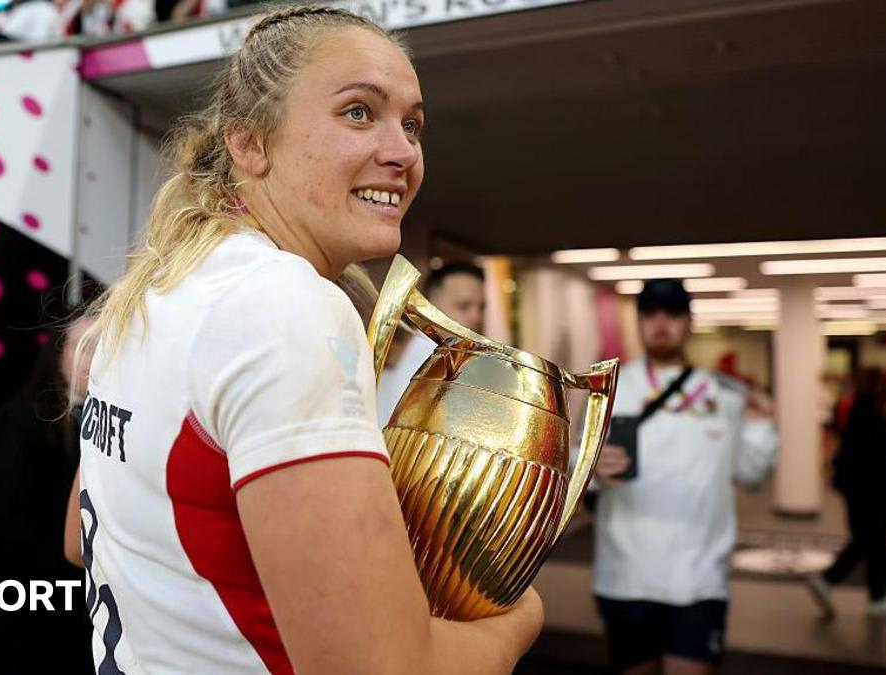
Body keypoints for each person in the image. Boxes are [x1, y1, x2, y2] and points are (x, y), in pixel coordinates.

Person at [68, 6, 542, 673]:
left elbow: (83, 534)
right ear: (249, 143)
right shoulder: (283, 304)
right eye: (358, 112)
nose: (403, 151)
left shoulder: (154, 290)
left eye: (411, 124)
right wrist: (516, 618)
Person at [591, 279, 778, 675]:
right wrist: (590, 467)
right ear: (639, 321)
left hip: (699, 576)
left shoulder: (724, 395)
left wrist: (761, 429)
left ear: (689, 322)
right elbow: (572, 467)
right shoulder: (609, 388)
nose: (662, 324)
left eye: (673, 314)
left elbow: (753, 475)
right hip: (626, 573)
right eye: (651, 314)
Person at [0, 317, 95, 674]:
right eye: (86, 347)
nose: (98, 359)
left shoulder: (125, 420)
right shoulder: (25, 419)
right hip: (34, 609)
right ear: (59, 355)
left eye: (109, 346)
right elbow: (12, 524)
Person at [806, 367, 886, 621]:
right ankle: (829, 580)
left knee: (872, 543)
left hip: (859, 488)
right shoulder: (871, 412)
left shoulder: (855, 406)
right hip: (869, 489)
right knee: (869, 541)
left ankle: (877, 598)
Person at [375, 261, 485, 426]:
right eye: (464, 306)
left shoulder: (456, 356)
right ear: (430, 306)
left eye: (481, 307)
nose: (476, 316)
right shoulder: (426, 355)